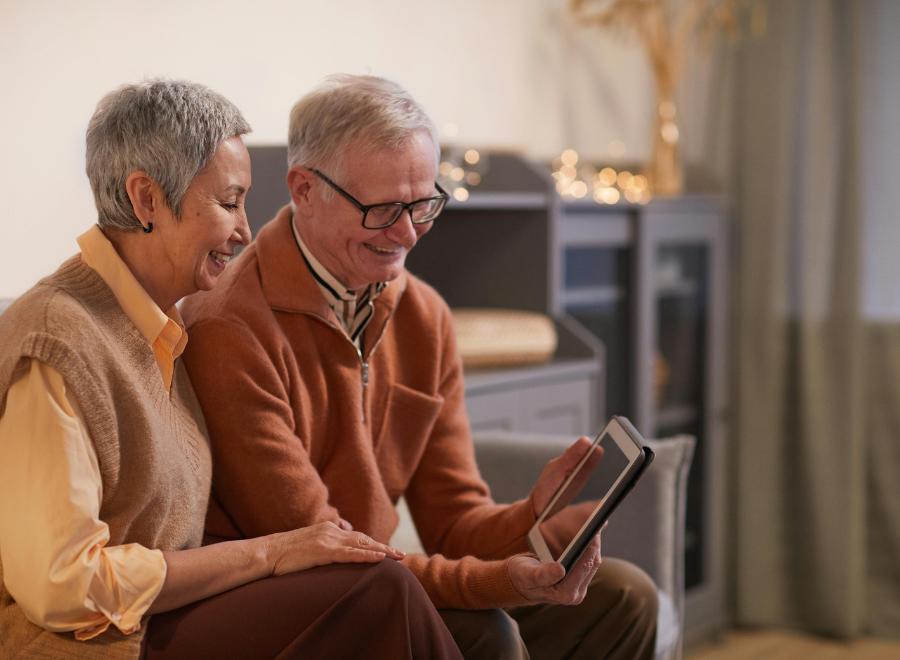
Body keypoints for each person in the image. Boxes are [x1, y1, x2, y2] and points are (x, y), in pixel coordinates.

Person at [181, 74, 659, 660]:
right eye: (383, 209)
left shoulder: (423, 315)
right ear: (304, 189)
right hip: (292, 606)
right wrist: (503, 582)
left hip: (378, 583)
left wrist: (536, 517)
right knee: (487, 633)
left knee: (625, 599)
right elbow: (334, 553)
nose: (408, 234)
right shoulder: (230, 328)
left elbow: (455, 523)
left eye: (423, 203)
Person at [0, 79, 462, 660]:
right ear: (146, 201)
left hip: (167, 619)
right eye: (228, 202)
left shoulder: (157, 328)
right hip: (97, 646)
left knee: (425, 612)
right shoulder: (56, 340)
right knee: (379, 593)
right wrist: (269, 553)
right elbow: (60, 586)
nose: (245, 230)